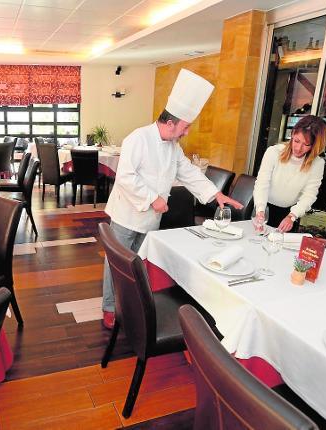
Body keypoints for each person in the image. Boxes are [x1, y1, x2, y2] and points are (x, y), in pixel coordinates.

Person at [101, 69, 243, 330]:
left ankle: (132, 306)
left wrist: (216, 194)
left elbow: (188, 172)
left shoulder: (173, 146)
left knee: (140, 264)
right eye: (185, 127)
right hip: (127, 214)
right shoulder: (137, 139)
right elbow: (125, 177)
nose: (186, 132)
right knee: (116, 263)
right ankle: (109, 307)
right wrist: (153, 198)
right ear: (170, 123)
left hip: (151, 218)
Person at [253, 115, 326, 233]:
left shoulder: (317, 164)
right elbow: (262, 183)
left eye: (306, 144)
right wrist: (260, 210)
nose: (298, 148)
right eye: (296, 141)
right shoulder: (273, 152)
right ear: (292, 134)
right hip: (262, 207)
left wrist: (292, 216)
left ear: (315, 145)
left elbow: (309, 195)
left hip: (289, 214)